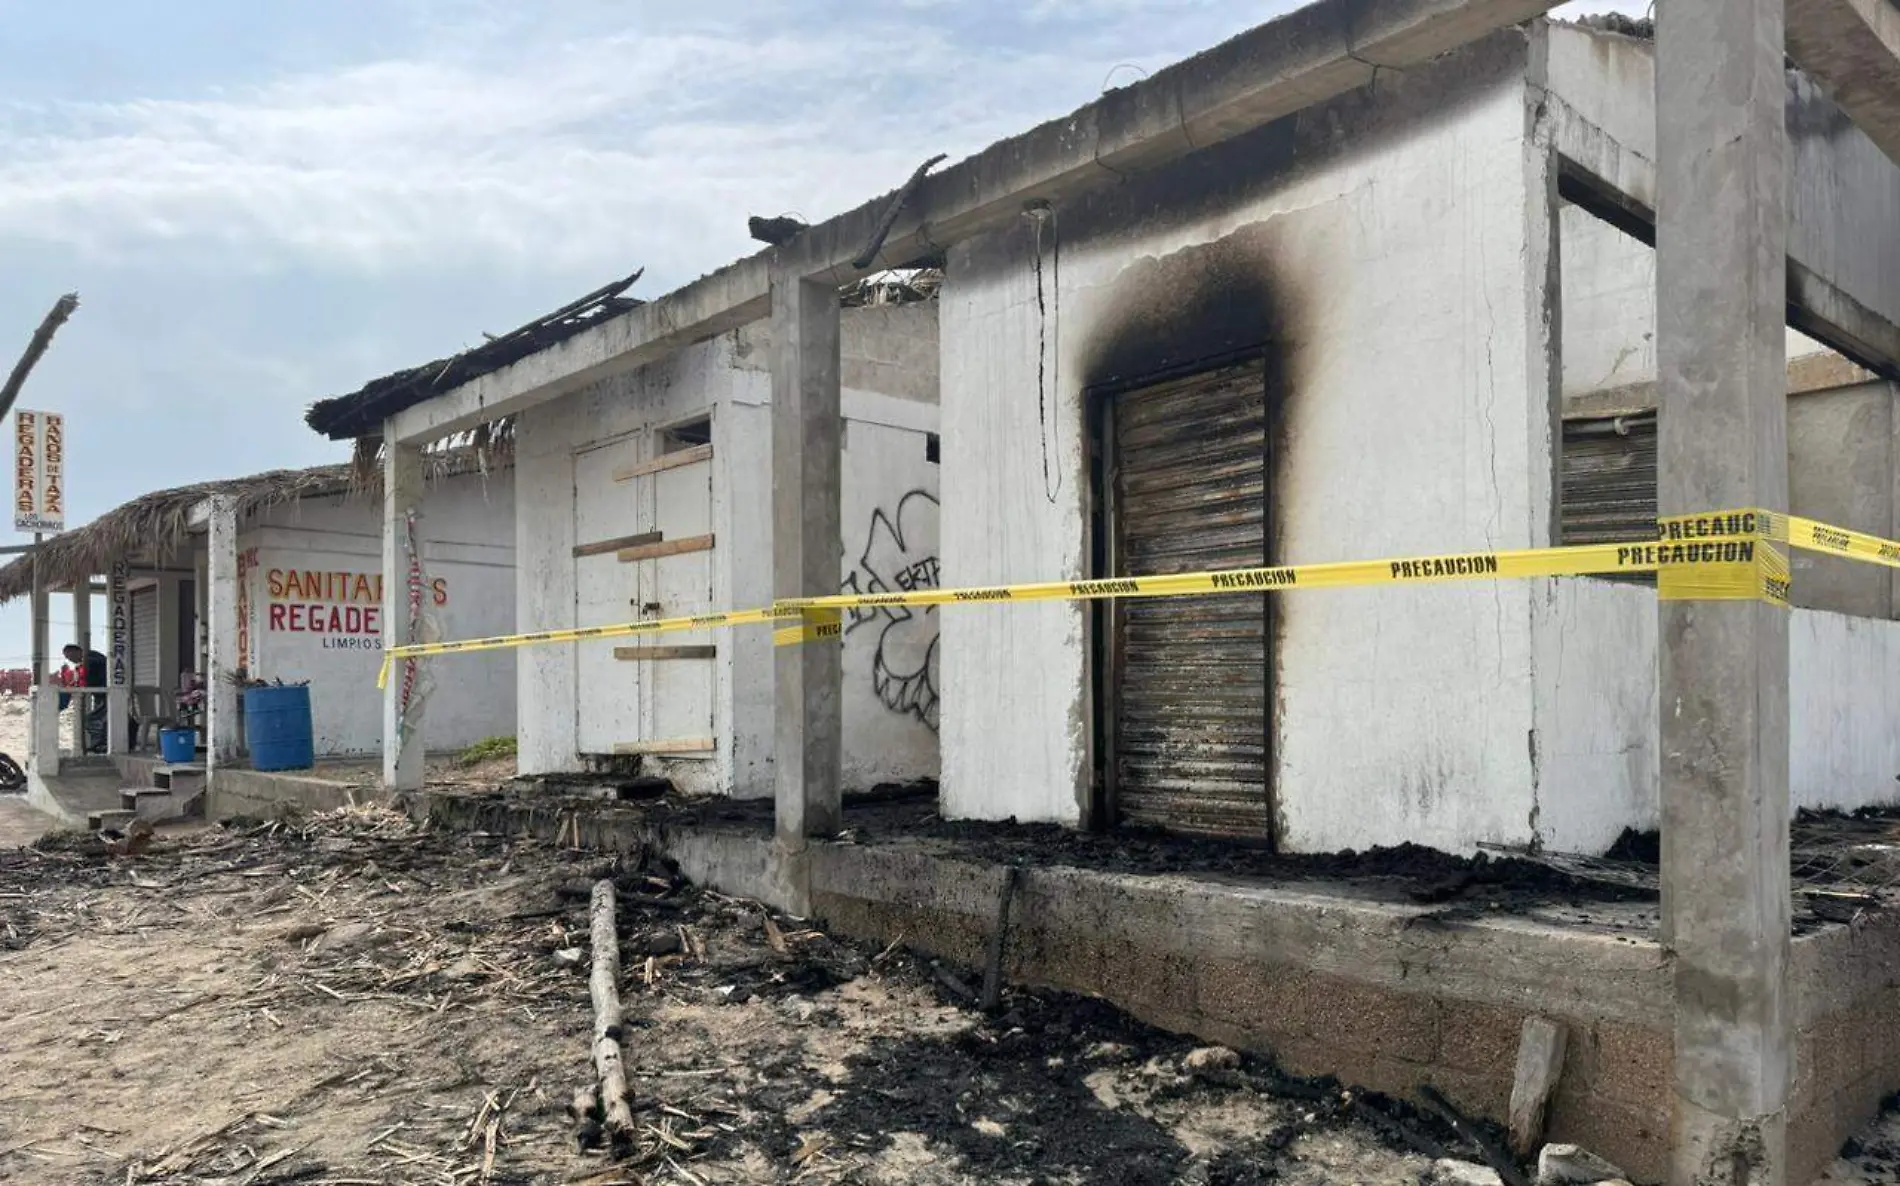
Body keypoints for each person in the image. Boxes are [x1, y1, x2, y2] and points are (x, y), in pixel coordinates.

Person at [62, 643, 108, 754]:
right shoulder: (83, 664)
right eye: (68, 658)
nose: (70, 660)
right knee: (96, 721)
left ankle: (100, 745)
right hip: (99, 696)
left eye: (70, 657)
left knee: (91, 721)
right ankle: (98, 745)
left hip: (107, 696)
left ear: (76, 651)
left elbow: (95, 668)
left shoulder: (92, 658)